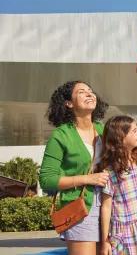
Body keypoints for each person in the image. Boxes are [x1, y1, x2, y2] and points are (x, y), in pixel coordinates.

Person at [39, 80, 110, 255]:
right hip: (81, 207)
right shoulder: (60, 135)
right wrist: (87, 179)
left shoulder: (104, 130)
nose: (89, 94)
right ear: (69, 103)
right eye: (81, 92)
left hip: (111, 202)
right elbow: (47, 180)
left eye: (90, 91)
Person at [97, 115, 137, 255]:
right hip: (123, 234)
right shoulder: (110, 172)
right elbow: (106, 207)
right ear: (121, 137)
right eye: (134, 131)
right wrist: (105, 240)